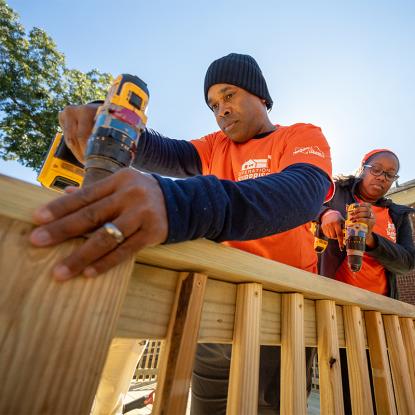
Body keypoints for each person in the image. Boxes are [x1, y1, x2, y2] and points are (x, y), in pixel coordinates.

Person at [30, 53, 334, 413]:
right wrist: (111, 122)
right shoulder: (213, 146)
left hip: (283, 308)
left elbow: (302, 193)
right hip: (217, 303)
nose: (221, 110)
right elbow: (164, 151)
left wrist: (179, 206)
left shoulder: (300, 135)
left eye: (229, 95)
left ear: (261, 97)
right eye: (213, 104)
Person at [317, 148, 415, 413]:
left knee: (378, 388)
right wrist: (325, 215)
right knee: (342, 386)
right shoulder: (334, 192)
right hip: (336, 308)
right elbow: (306, 205)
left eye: (390, 175)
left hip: (380, 315)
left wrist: (372, 240)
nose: (382, 178)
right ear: (362, 167)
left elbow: (407, 262)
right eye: (377, 169)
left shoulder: (397, 215)